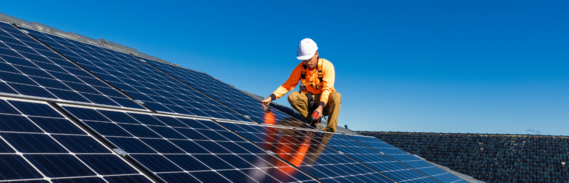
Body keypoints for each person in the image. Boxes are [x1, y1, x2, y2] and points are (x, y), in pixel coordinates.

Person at [261, 38, 341, 132]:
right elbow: (287, 85)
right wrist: (270, 98)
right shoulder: (300, 68)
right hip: (310, 100)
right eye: (304, 60)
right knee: (292, 96)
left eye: (309, 59)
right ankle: (312, 121)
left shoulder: (327, 66)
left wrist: (320, 106)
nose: (307, 63)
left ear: (316, 54)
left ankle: (330, 130)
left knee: (336, 96)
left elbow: (327, 89)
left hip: (325, 102)